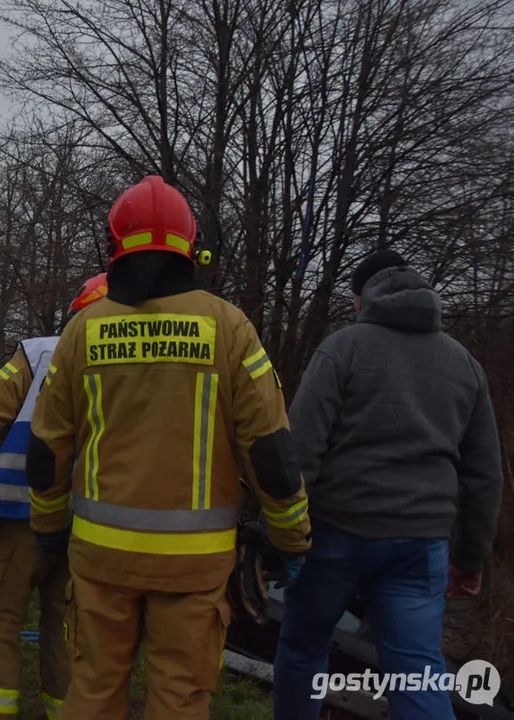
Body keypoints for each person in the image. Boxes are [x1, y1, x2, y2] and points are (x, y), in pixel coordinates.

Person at [26, 175, 313, 720]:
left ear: (116, 247)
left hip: (99, 559)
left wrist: (47, 529)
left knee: (91, 691)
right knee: (179, 700)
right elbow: (271, 451)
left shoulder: (84, 330)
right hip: (194, 568)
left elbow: (46, 449)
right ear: (190, 244)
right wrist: (292, 538)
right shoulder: (230, 328)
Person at [273, 249, 504, 720]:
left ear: (362, 299)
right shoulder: (466, 365)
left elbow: (300, 451)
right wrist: (470, 558)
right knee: (418, 672)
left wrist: (278, 532)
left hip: (335, 535)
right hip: (420, 545)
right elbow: (485, 475)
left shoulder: (342, 349)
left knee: (303, 651)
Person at [0, 272, 109, 720]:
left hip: (18, 519)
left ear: (75, 313)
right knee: (71, 636)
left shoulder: (38, 353)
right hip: (91, 533)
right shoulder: (135, 366)